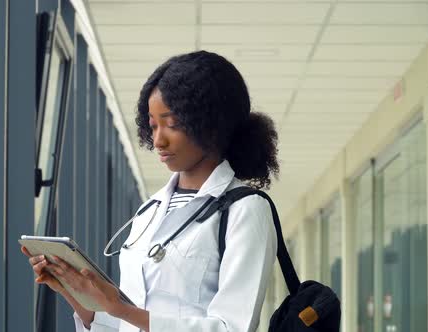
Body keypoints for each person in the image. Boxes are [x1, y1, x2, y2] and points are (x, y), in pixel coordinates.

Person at [22, 50, 280, 332]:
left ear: (212, 124)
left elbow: (232, 328)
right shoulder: (149, 211)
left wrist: (120, 308)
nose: (158, 140)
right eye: (153, 125)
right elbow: (124, 326)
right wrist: (74, 292)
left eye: (172, 125)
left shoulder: (246, 209)